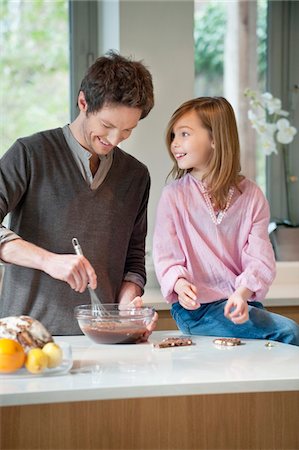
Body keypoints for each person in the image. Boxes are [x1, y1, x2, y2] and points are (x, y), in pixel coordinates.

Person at [0, 51, 158, 337]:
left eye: (126, 131)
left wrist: (128, 304)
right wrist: (49, 261)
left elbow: (134, 261)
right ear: (83, 102)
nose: (113, 140)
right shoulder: (30, 154)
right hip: (24, 339)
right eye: (107, 126)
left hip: (104, 339)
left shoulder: (136, 176)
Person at [153, 97, 299, 346]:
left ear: (215, 138)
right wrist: (179, 285)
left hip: (241, 304)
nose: (175, 144)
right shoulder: (174, 196)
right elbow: (166, 256)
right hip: (196, 310)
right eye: (173, 136)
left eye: (184, 134)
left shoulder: (252, 195)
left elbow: (259, 257)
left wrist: (242, 294)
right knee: (290, 332)